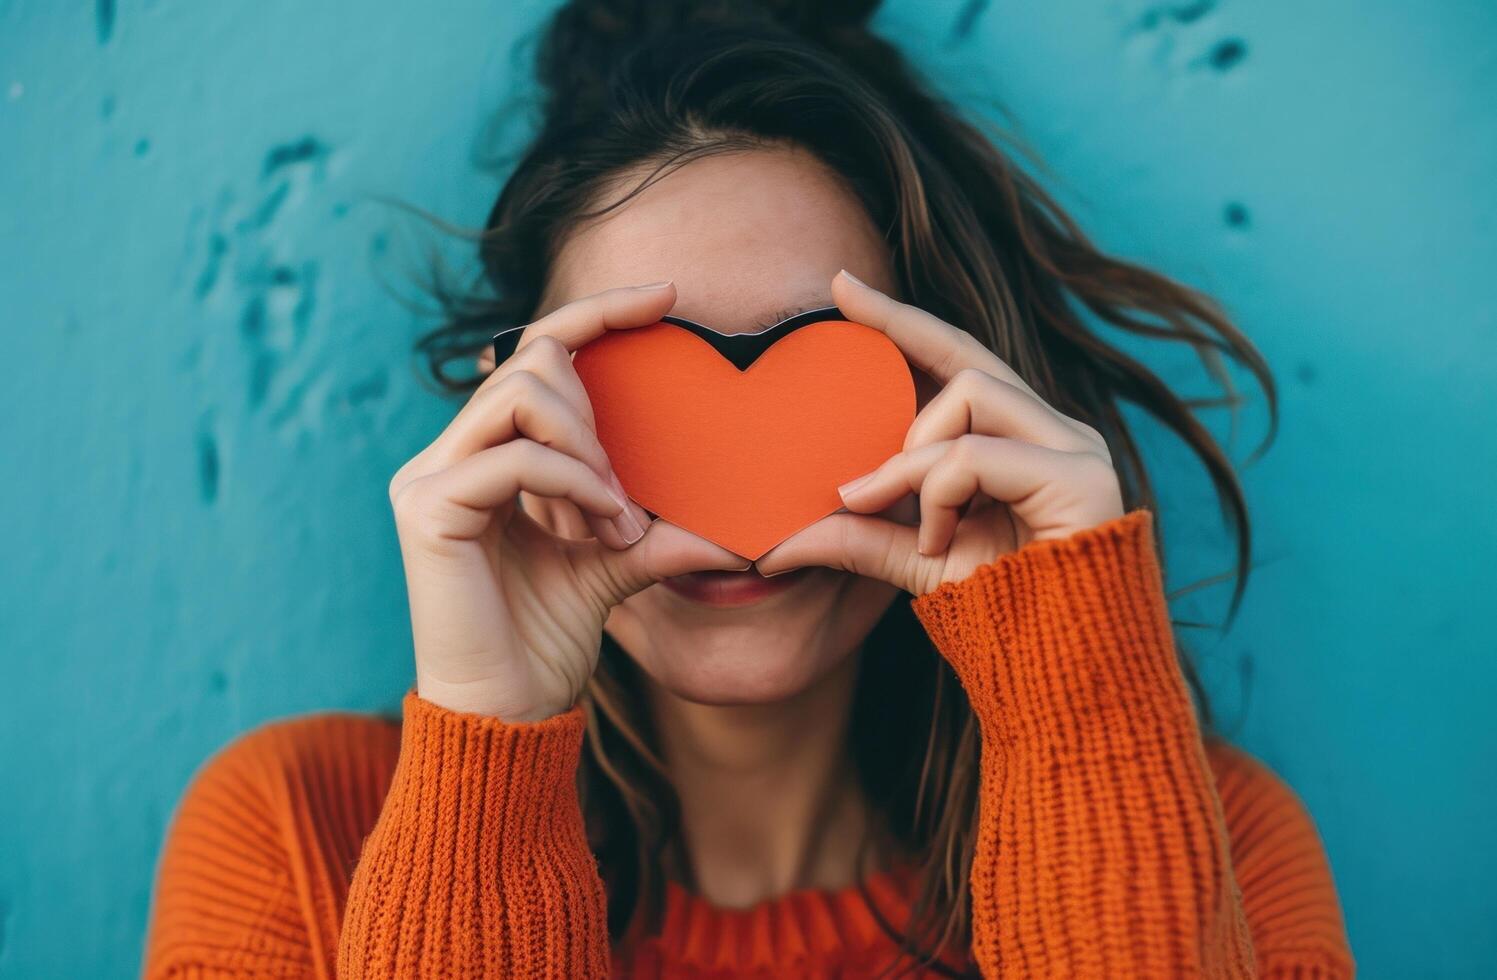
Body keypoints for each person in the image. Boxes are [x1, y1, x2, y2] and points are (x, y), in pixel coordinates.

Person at [141, 1, 1354, 976]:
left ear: (963, 400)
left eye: (825, 370)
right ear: (502, 411)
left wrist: (1072, 701)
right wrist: (488, 747)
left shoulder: (1225, 852)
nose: (732, 506)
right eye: (643, 399)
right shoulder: (299, 838)